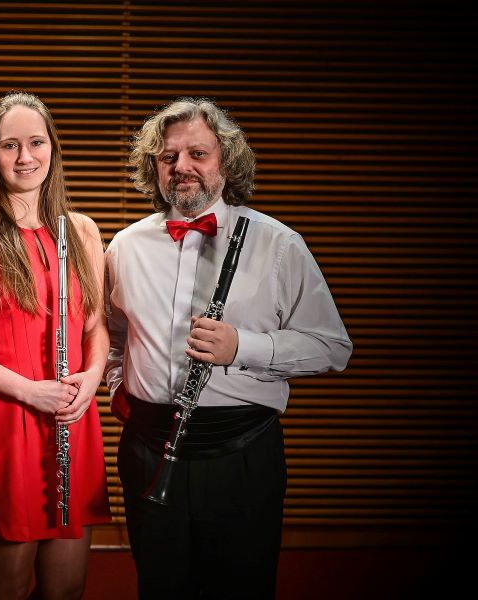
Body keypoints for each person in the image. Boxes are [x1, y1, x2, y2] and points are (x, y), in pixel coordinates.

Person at [105, 97, 353, 599]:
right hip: (149, 446)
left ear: (225, 161)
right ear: (152, 166)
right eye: (168, 156)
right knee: (160, 587)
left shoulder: (276, 243)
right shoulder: (125, 247)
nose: (182, 168)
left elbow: (331, 346)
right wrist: (119, 389)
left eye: (198, 153)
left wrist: (244, 346)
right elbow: (114, 340)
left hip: (241, 451)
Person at [0, 92, 111, 600]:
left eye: (36, 142)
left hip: (72, 416)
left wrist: (93, 377)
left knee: (67, 589)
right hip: (8, 414)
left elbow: (95, 327)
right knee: (6, 588)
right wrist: (31, 392)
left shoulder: (82, 230)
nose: (25, 157)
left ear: (53, 147)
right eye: (10, 145)